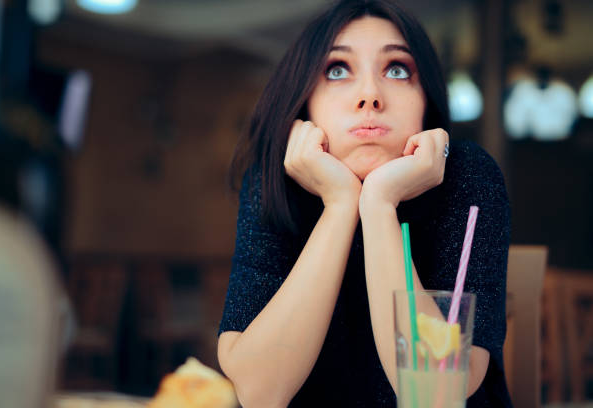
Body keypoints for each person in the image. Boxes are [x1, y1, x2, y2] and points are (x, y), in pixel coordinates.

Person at [217, 1, 511, 407]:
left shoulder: (466, 175)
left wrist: (379, 204)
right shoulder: (271, 182)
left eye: (397, 69)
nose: (370, 95)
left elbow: (436, 397)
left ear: (426, 99)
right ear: (305, 103)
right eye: (337, 70)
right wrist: (340, 204)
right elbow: (260, 393)